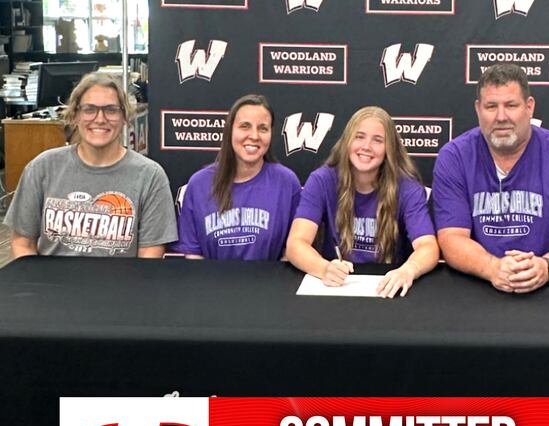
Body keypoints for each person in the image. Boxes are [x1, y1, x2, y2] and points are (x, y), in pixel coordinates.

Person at [432, 63, 549, 294]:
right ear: (478, 109)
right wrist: (492, 268)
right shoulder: (455, 157)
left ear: (529, 107)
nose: (501, 117)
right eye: (491, 106)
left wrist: (545, 266)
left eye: (511, 105)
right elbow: (451, 238)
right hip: (476, 288)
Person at [4, 72, 176, 258]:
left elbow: (150, 255)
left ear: (125, 116)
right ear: (75, 115)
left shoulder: (150, 176)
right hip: (52, 286)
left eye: (111, 110)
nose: (100, 119)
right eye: (89, 109)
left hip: (121, 286)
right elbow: (23, 243)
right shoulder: (42, 168)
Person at [286, 106, 439, 298]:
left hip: (387, 288)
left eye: (378, 140)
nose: (366, 146)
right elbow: (296, 243)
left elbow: (428, 246)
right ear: (347, 141)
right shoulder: (322, 180)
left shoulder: (407, 188)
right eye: (359, 137)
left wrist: (409, 270)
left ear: (389, 149)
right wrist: (323, 268)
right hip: (335, 288)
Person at [174, 94, 300, 260]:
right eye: (245, 126)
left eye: (263, 128)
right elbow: (193, 255)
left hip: (270, 284)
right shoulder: (199, 185)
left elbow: (293, 250)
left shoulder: (286, 183)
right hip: (211, 284)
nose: (254, 136)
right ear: (230, 130)